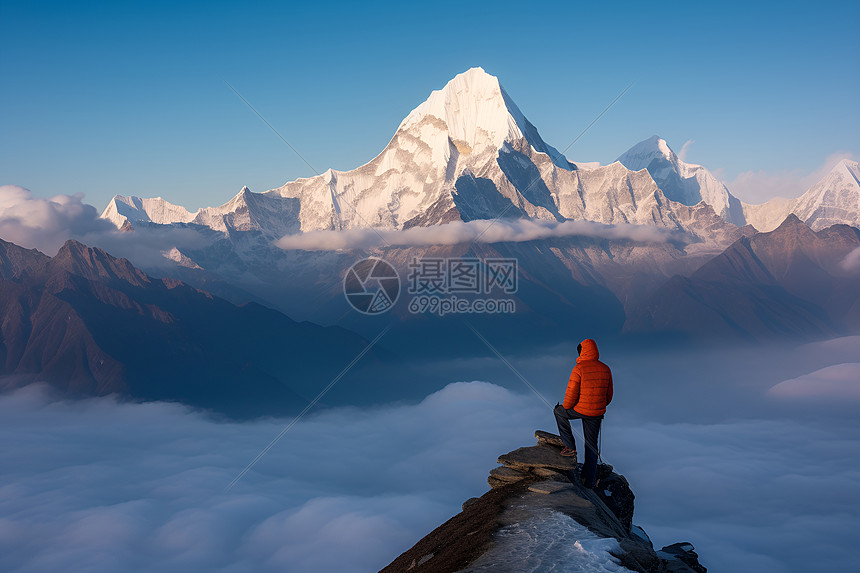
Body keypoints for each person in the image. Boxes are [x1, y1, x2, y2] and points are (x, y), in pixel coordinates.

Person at [554, 338, 613, 488]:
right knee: (591, 444)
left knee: (559, 412)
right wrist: (598, 406)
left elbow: (571, 393)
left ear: (582, 351)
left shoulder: (579, 368)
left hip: (579, 410)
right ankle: (590, 479)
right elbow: (609, 395)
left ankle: (570, 447)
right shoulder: (605, 368)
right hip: (596, 413)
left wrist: (566, 406)